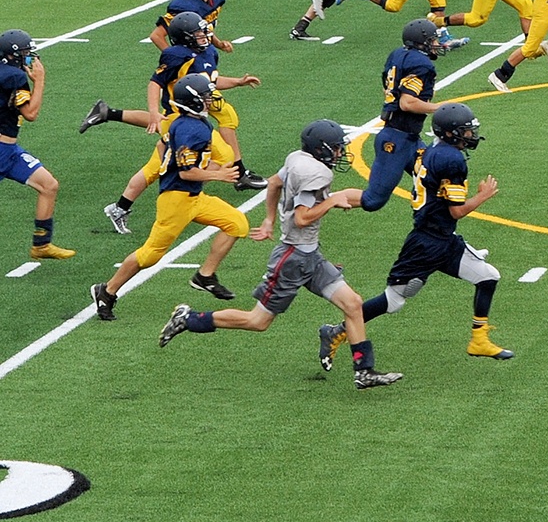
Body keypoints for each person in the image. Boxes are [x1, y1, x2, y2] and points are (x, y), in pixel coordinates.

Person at [158, 119, 402, 390]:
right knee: (257, 321)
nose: (339, 153)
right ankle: (188, 319)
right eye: (335, 149)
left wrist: (269, 220)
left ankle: (363, 371)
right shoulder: (317, 173)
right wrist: (330, 202)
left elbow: (274, 183)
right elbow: (301, 218)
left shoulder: (297, 158)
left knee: (353, 304)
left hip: (309, 256)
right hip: (293, 258)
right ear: (320, 149)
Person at [93, 73, 268, 319]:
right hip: (176, 199)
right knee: (150, 254)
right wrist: (219, 176)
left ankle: (205, 276)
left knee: (237, 223)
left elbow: (164, 146)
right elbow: (187, 173)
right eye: (206, 97)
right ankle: (107, 291)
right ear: (194, 101)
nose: (211, 100)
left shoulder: (190, 123)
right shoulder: (191, 130)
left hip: (195, 198)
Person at [354, 102, 513, 361]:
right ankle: (339, 331)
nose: (471, 135)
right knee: (393, 301)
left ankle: (479, 340)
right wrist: (482, 196)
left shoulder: (433, 151)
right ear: (451, 133)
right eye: (466, 131)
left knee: (488, 277)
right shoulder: (452, 160)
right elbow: (456, 211)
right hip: (427, 242)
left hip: (441, 238)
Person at [84, 10, 263, 237]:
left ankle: (120, 207)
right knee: (226, 156)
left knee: (154, 168)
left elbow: (211, 82)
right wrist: (153, 112)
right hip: (178, 118)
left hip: (193, 117)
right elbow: (155, 82)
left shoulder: (207, 52)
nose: (204, 35)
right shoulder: (176, 55)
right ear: (185, 37)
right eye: (197, 33)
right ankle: (186, 188)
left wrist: (238, 82)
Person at [0, 29, 73, 260]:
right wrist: (40, 81)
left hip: (9, 150)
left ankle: (41, 244)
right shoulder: (14, 77)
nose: (29, 57)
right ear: (10, 56)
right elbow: (31, 113)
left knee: (48, 185)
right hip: (2, 149)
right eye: (24, 53)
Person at [361, 18, 447, 212]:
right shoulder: (421, 64)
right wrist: (439, 108)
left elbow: (388, 85)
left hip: (409, 138)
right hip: (396, 141)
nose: (436, 44)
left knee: (435, 182)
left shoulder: (398, 55)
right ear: (421, 42)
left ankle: (443, 237)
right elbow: (407, 103)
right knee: (373, 200)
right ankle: (326, 202)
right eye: (433, 40)